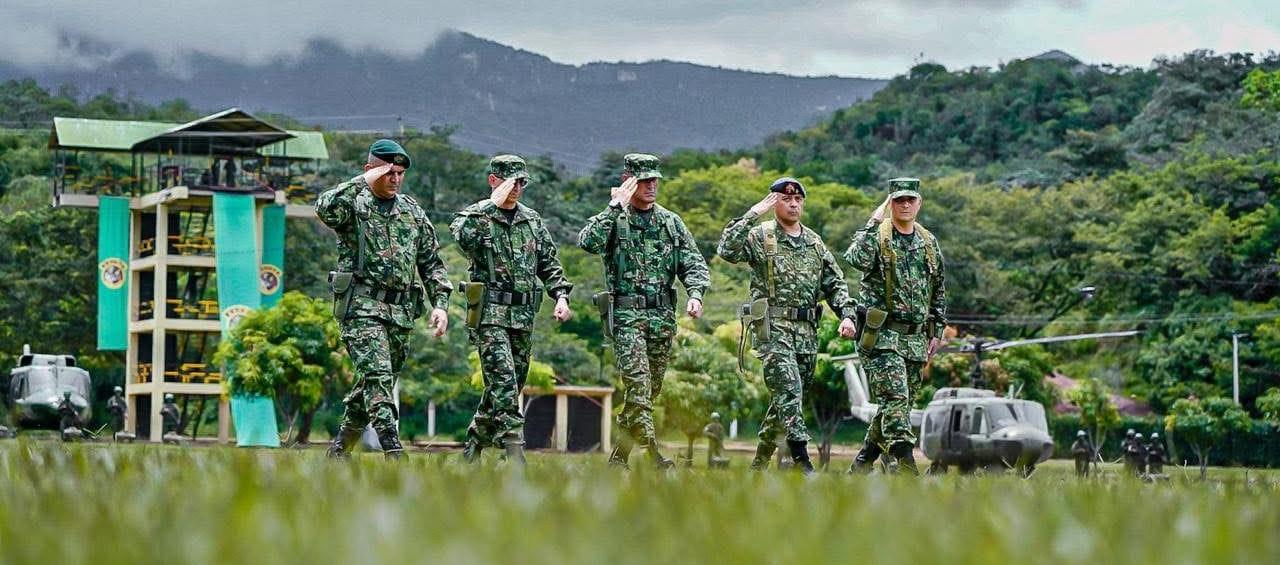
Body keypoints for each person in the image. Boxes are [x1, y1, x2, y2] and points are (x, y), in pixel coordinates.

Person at [318, 139, 452, 460]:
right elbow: (324, 207)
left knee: (374, 381)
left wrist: (440, 305)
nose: (395, 178)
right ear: (370, 170)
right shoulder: (353, 206)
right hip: (362, 307)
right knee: (378, 376)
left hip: (401, 311)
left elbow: (431, 262)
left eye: (400, 173)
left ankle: (339, 450)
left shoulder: (412, 212)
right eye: (389, 172)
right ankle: (393, 449)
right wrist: (360, 182)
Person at [717, 177, 857, 474]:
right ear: (774, 202)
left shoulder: (814, 242)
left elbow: (835, 283)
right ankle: (802, 460)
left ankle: (758, 464)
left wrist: (846, 314)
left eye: (797, 200)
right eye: (785, 199)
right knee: (789, 390)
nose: (793, 204)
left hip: (806, 333)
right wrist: (753, 213)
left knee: (787, 399)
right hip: (773, 330)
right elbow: (727, 250)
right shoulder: (760, 236)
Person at [578, 153, 710, 469]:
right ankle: (653, 455)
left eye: (654, 180)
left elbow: (693, 262)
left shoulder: (670, 222)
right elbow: (588, 242)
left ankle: (619, 457)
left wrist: (695, 294)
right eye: (644, 180)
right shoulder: (615, 218)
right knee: (638, 384)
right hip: (626, 317)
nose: (651, 186)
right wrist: (613, 206)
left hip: (662, 318)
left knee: (649, 391)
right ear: (628, 181)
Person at [451, 155, 573, 465]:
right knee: (503, 381)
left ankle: (475, 442)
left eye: (521, 182)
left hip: (522, 317)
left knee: (508, 386)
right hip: (489, 315)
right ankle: (514, 450)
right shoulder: (476, 217)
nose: (516, 188)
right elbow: (462, 239)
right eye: (510, 181)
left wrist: (560, 296)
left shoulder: (531, 220)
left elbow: (549, 263)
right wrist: (490, 205)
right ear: (494, 181)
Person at [844, 178, 947, 476]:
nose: (904, 205)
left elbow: (939, 287)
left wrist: (936, 330)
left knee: (897, 406)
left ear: (919, 203)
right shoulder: (878, 237)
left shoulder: (928, 242)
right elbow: (854, 258)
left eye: (910, 200)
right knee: (896, 400)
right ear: (889, 203)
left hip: (915, 339)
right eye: (898, 200)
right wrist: (874, 219)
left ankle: (862, 463)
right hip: (882, 337)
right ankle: (907, 468)